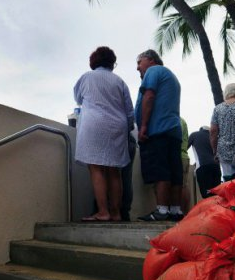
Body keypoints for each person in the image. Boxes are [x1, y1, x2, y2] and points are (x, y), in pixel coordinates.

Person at [74, 46, 135, 222]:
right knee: (114, 170)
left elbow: (78, 98)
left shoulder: (86, 77)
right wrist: (127, 128)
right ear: (111, 62)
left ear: (93, 61)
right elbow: (129, 111)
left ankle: (103, 212)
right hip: (117, 126)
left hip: (94, 124)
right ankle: (116, 213)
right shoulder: (120, 81)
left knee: (95, 167)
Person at [134, 49, 184, 222]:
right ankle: (175, 210)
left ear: (150, 59)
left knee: (160, 170)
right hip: (172, 130)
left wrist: (143, 126)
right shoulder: (171, 76)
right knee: (174, 171)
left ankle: (162, 211)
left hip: (158, 130)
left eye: (139, 62)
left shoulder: (153, 71)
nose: (138, 68)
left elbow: (149, 96)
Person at [187, 126, 220, 198]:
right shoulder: (215, 138)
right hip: (216, 167)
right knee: (217, 195)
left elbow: (184, 148)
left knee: (207, 195)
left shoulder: (194, 135)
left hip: (203, 167)